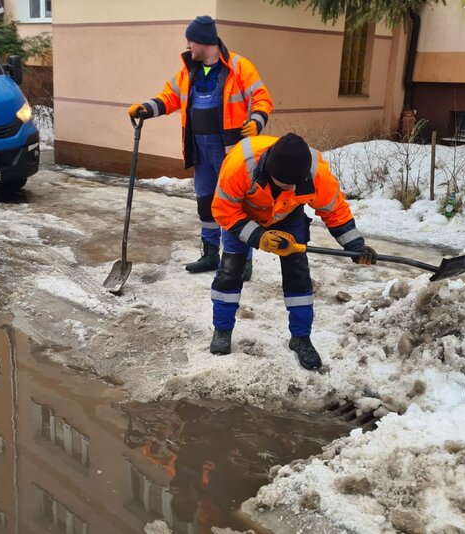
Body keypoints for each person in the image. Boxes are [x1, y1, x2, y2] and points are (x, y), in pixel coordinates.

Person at [208, 133, 378, 371]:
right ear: (269, 171)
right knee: (230, 272)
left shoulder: (315, 172)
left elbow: (334, 209)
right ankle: (222, 330)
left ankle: (300, 338)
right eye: (286, 185)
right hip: (242, 216)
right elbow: (223, 210)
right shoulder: (240, 166)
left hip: (288, 216)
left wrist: (355, 246)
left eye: (297, 184)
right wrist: (258, 236)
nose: (293, 188)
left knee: (298, 276)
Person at [128, 16, 273, 280]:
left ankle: (242, 261)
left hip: (230, 150)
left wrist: (256, 121)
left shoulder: (238, 67)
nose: (187, 45)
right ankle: (210, 254)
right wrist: (146, 109)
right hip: (200, 148)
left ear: (205, 41)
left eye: (190, 40)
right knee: (206, 202)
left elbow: (261, 98)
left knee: (236, 204)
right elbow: (169, 97)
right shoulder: (189, 70)